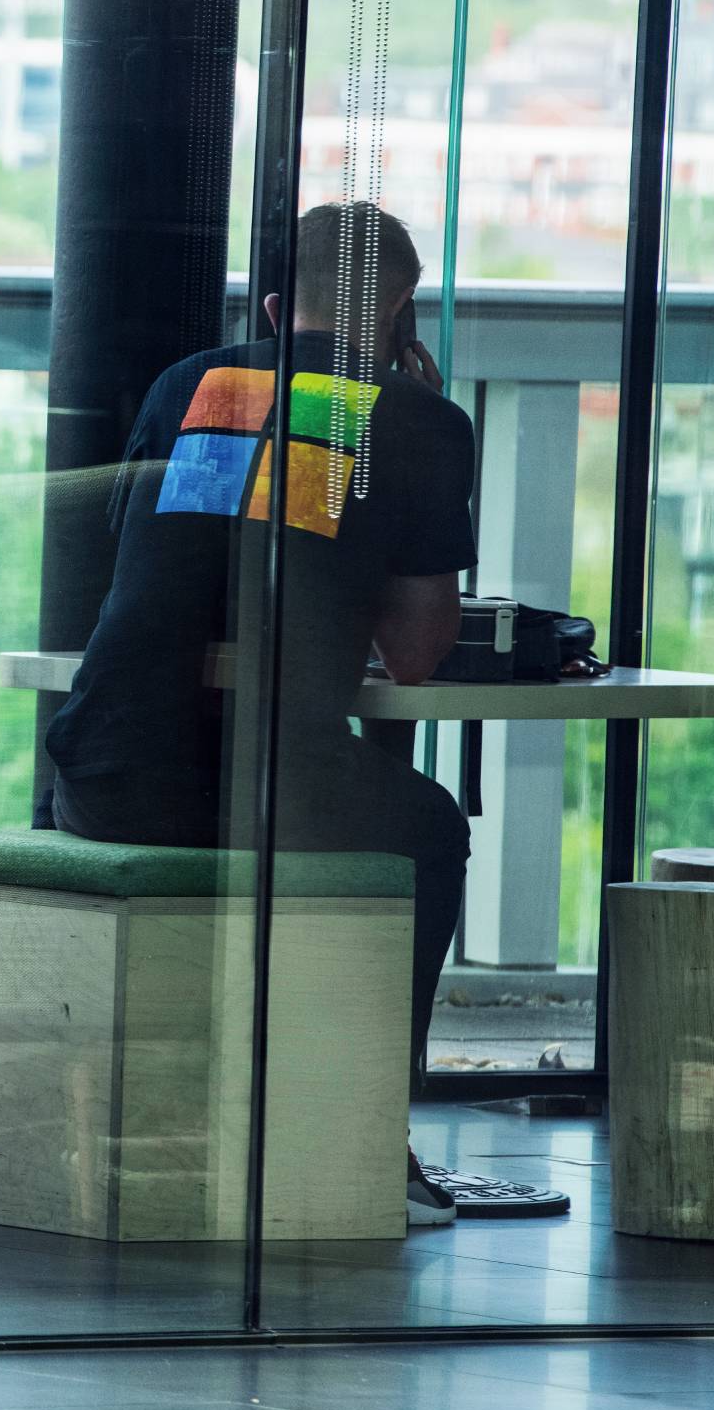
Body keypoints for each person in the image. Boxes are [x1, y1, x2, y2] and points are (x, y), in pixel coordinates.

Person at [45, 199, 474, 1228]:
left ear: (278, 307)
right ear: (403, 307)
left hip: (99, 768)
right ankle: (368, 1131)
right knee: (429, 828)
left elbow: (152, 575)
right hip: (256, 781)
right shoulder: (413, 417)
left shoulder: (190, 382)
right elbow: (415, 654)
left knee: (335, 798)